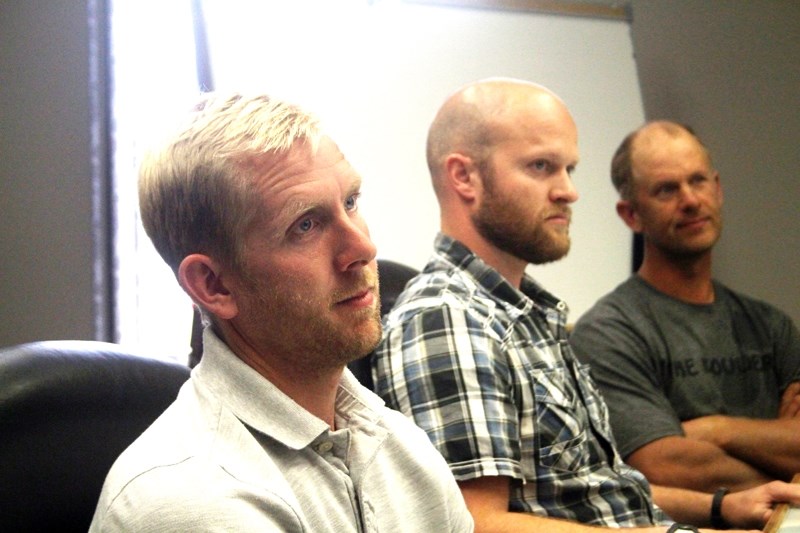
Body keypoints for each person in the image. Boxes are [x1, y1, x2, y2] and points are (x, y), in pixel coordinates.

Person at [371, 78, 800, 532]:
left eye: (569, 169)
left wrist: (720, 508)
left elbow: (599, 488)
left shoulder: (524, 313)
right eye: (541, 166)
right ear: (464, 177)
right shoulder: (448, 317)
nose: (568, 191)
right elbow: (477, 523)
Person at [89, 93, 473, 532]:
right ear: (213, 285)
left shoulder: (401, 448)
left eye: (350, 202)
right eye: (304, 225)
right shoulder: (192, 498)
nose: (364, 249)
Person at [570, 121, 800, 494]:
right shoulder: (607, 332)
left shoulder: (770, 325)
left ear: (718, 188)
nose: (690, 200)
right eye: (666, 189)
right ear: (631, 215)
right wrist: (780, 464)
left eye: (698, 181)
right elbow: (664, 466)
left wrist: (717, 430)